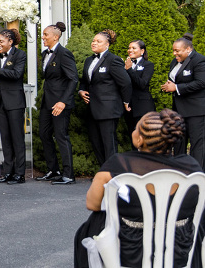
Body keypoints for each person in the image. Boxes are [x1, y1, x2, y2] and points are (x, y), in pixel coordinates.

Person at [73, 109, 201, 268]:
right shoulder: (192, 167)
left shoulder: (119, 164)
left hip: (130, 253)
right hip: (178, 252)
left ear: (139, 139)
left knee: (95, 219)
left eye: (136, 128)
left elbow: (92, 204)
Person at [78, 29, 132, 166]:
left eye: (98, 41)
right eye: (93, 41)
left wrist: (126, 101)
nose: (94, 43)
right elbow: (84, 80)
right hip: (91, 108)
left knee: (109, 143)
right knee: (95, 142)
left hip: (108, 109)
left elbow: (125, 82)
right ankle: (103, 171)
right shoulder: (89, 60)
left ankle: (113, 172)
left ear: (107, 45)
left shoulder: (113, 60)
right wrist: (81, 90)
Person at [0, 28, 27, 185]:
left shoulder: (20, 55)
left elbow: (16, 74)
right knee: (5, 139)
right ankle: (8, 172)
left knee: (17, 138)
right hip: (0, 102)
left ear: (10, 41)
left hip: (15, 102)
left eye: (1, 41)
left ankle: (20, 174)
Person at [36, 22, 78, 185]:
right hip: (47, 102)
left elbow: (73, 79)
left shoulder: (64, 54)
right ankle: (53, 170)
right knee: (44, 134)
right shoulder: (44, 54)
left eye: (45, 35)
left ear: (55, 37)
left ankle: (68, 174)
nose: (43, 37)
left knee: (61, 136)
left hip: (60, 103)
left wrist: (63, 102)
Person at [162, 33, 205, 167]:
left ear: (188, 49)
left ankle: (197, 173)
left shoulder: (199, 60)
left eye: (177, 50)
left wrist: (176, 88)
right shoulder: (175, 61)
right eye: (173, 50)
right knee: (178, 142)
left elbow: (201, 82)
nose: (174, 53)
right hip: (178, 110)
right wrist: (168, 86)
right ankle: (180, 171)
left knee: (197, 144)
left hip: (195, 110)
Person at [124, 39, 155, 145]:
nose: (130, 50)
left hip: (143, 107)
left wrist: (129, 70)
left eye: (134, 48)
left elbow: (142, 84)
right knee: (133, 137)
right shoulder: (125, 64)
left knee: (145, 138)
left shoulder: (148, 65)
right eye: (129, 48)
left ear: (142, 51)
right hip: (129, 107)